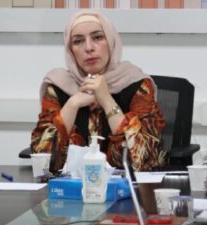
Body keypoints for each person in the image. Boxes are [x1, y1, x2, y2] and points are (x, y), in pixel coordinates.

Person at [30, 11, 167, 172]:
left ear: (111, 41)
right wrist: (72, 104)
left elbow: (143, 160)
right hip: (72, 186)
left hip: (125, 186)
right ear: (70, 50)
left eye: (98, 37)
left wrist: (107, 100)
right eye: (78, 41)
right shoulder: (58, 86)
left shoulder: (136, 84)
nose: (89, 48)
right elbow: (42, 163)